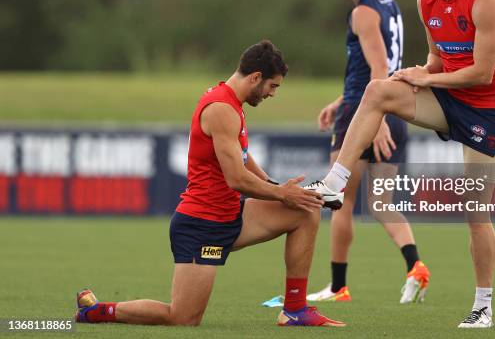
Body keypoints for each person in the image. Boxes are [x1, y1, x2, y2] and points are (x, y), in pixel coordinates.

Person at [309, 0, 495, 329]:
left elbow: (482, 73)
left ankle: (483, 306)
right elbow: (438, 59)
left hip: (486, 111)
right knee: (378, 89)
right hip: (447, 98)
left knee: (475, 211)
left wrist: (427, 80)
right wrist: (417, 72)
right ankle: (334, 181)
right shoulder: (426, 0)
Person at [74, 40, 345, 328]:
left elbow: (241, 155)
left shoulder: (231, 103)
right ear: (256, 77)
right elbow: (236, 179)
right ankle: (99, 311)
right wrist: (282, 194)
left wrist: (277, 188)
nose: (272, 93)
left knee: (305, 212)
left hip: (230, 215)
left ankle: (294, 310)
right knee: (183, 318)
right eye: (273, 86)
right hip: (200, 225)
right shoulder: (221, 108)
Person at [306, 0, 430, 305]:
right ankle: (416, 266)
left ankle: (338, 286)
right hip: (395, 106)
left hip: (367, 113)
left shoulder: (362, 12)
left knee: (338, 198)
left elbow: (377, 70)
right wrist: (341, 100)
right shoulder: (390, 5)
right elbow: (383, 67)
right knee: (382, 202)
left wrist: (373, 122)